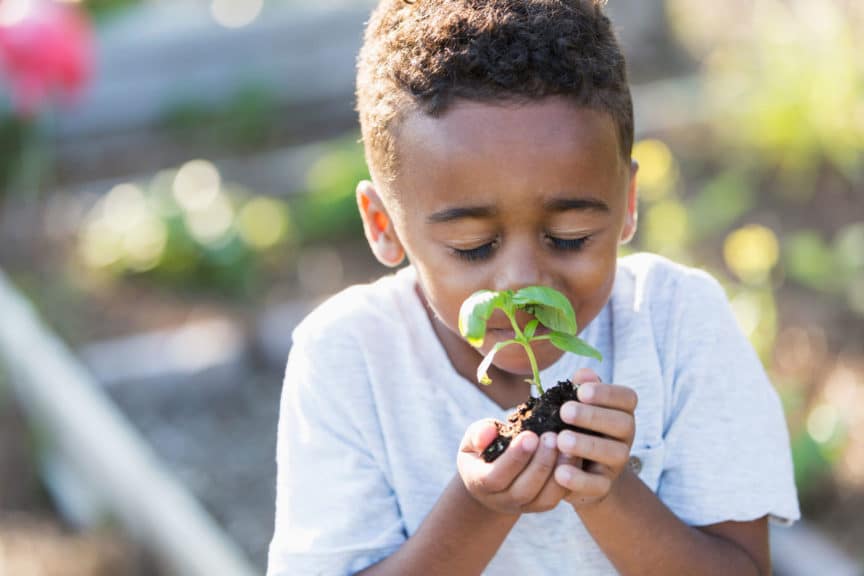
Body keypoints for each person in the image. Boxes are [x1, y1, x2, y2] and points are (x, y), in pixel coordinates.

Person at [267, 1, 799, 574]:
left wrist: (608, 493)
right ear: (383, 226)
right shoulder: (348, 357)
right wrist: (479, 508)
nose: (521, 282)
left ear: (627, 204)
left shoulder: (678, 322)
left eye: (571, 237)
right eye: (472, 246)